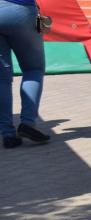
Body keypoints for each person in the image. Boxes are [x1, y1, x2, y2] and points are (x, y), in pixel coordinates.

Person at [1, 0, 49, 149]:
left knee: (2, 79)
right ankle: (27, 123)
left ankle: (8, 134)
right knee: (33, 69)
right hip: (20, 11)